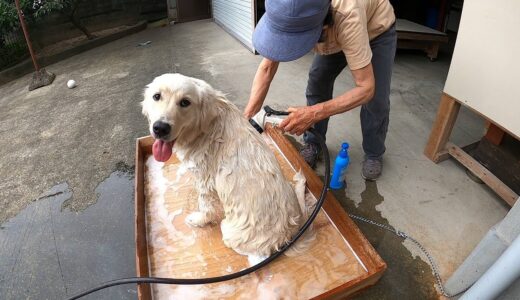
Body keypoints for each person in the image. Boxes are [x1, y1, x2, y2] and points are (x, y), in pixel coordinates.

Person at [243, 0, 396, 181]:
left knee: (376, 99)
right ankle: (314, 143)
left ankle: (374, 153)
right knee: (318, 81)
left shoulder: (347, 17)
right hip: (334, 28)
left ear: (322, 27)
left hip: (375, 30)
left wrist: (313, 113)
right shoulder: (288, 11)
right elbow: (267, 67)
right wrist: (247, 121)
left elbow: (366, 88)